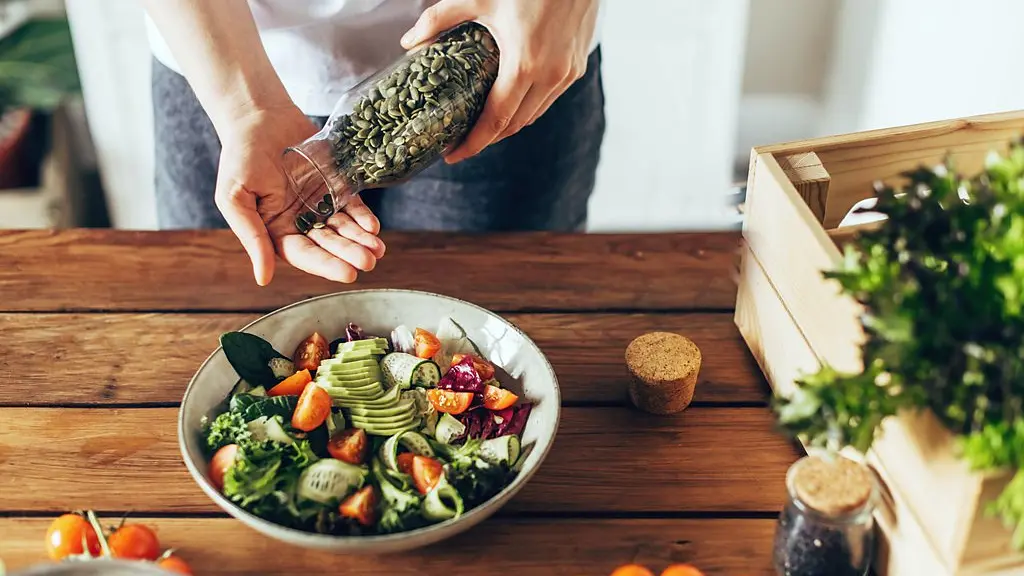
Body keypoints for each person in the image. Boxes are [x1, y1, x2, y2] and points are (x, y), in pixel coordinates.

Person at [143, 0, 607, 286]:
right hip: (215, 56)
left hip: (508, 53)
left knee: (500, 319)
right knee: (225, 314)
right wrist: (247, 107)